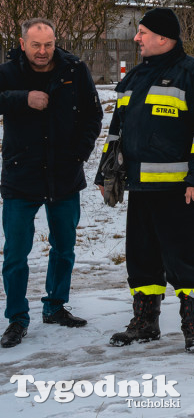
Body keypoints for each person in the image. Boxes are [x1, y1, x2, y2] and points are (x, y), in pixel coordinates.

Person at [95, 8, 194, 352]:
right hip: (140, 188)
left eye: (142, 33)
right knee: (141, 257)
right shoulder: (134, 78)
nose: (137, 38)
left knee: (185, 259)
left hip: (180, 190)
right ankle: (145, 322)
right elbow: (116, 132)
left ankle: (193, 327)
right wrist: (104, 172)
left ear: (163, 38)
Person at [1, 19, 102, 349]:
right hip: (21, 176)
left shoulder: (75, 69)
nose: (43, 52)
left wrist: (78, 155)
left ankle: (55, 307)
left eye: (48, 45)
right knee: (16, 254)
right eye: (35, 45)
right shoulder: (8, 72)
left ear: (56, 42)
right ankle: (17, 318)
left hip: (64, 176)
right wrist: (21, 98)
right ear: (22, 43)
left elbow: (93, 114)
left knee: (64, 248)